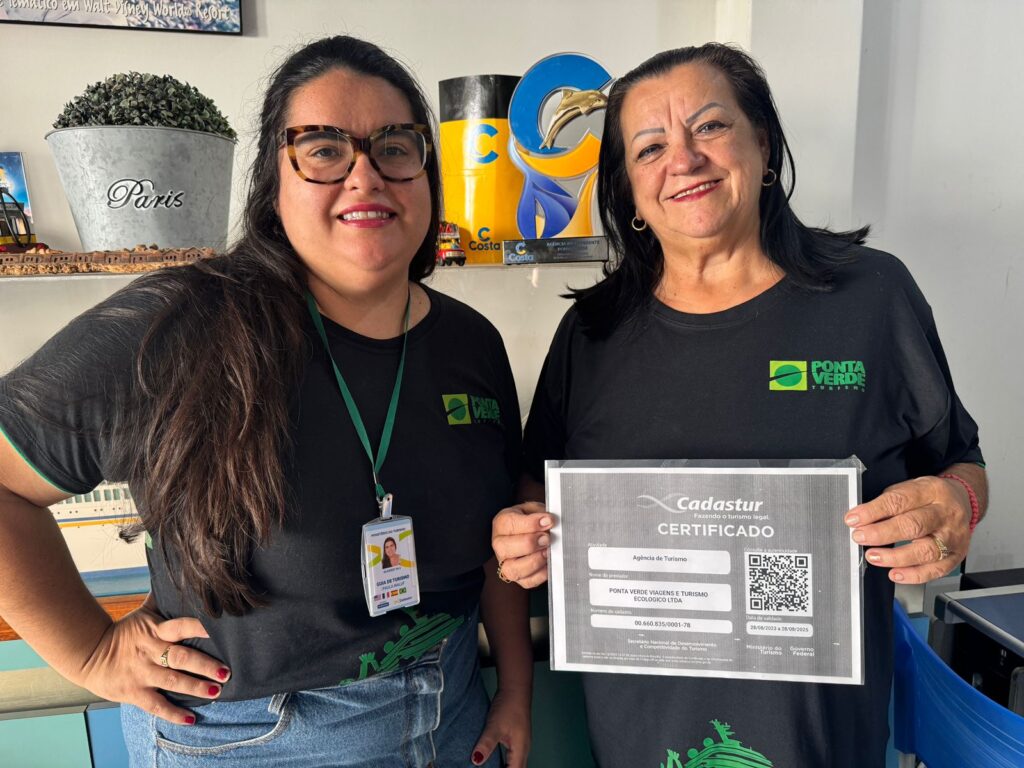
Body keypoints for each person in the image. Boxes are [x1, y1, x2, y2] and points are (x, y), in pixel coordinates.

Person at [0, 36, 531, 768]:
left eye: (396, 146)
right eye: (322, 149)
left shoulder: (471, 342)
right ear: (271, 187)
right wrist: (92, 653)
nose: (365, 176)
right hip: (250, 740)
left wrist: (515, 693)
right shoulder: (176, 327)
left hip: (452, 714)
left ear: (428, 178)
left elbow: (506, 542)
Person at [492, 43, 986, 767]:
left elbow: (961, 466)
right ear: (628, 189)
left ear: (762, 143)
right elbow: (535, 492)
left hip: (824, 739)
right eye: (650, 146)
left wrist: (958, 510)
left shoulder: (873, 298)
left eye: (710, 127)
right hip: (639, 737)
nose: (682, 159)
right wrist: (519, 538)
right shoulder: (591, 334)